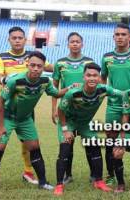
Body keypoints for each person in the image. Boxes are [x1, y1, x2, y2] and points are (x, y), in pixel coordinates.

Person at [0, 51, 74, 198]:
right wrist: (0, 126)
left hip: (25, 119)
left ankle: (43, 182)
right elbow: (0, 102)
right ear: (27, 64)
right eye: (33, 65)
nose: (36, 69)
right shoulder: (15, 81)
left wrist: (69, 88)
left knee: (35, 148)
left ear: (43, 67)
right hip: (7, 117)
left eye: (39, 66)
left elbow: (56, 94)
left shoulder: (45, 81)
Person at [0, 26, 53, 185]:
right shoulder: (2, 57)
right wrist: (7, 80)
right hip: (8, 106)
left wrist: (65, 67)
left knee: (28, 143)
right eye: (14, 38)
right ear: (9, 40)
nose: (17, 40)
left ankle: (28, 172)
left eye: (20, 38)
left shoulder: (32, 58)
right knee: (0, 142)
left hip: (26, 109)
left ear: (25, 40)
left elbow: (52, 67)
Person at [53, 63, 120, 195]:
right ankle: (59, 185)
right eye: (88, 75)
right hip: (69, 122)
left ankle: (99, 181)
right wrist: (66, 130)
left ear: (99, 78)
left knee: (95, 148)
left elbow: (122, 94)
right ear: (83, 77)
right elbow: (60, 111)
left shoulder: (104, 89)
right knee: (65, 150)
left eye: (95, 75)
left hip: (85, 123)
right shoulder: (73, 93)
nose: (92, 78)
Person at [101, 23, 130, 185]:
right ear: (114, 37)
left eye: (123, 34)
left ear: (129, 37)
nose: (120, 37)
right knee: (111, 139)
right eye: (117, 34)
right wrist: (108, 93)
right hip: (113, 105)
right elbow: (102, 80)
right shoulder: (107, 57)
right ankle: (111, 175)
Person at [51, 32, 94, 184]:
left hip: (85, 111)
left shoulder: (89, 62)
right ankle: (67, 174)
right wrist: (54, 108)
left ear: (82, 44)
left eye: (77, 41)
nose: (75, 44)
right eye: (72, 41)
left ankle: (94, 174)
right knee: (67, 144)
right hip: (66, 111)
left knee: (90, 143)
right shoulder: (60, 63)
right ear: (68, 44)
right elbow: (55, 89)